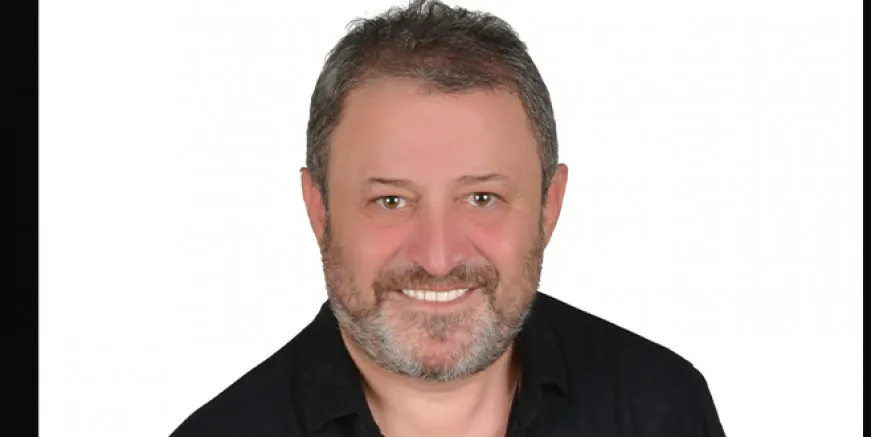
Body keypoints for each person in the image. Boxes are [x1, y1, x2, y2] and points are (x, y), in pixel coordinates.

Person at [169, 1, 727, 436]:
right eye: (391, 201)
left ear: (549, 206)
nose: (437, 258)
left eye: (481, 198)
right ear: (320, 210)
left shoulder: (661, 407)